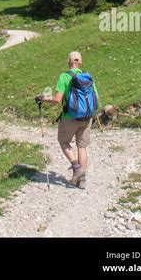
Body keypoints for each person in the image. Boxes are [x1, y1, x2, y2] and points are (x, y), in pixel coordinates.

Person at [39, 51, 98, 189]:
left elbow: (57, 100)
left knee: (63, 141)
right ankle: (81, 180)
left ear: (68, 61)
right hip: (87, 117)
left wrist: (43, 98)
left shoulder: (64, 77)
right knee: (82, 146)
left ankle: (76, 167)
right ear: (80, 62)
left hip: (69, 117)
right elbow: (97, 97)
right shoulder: (88, 77)